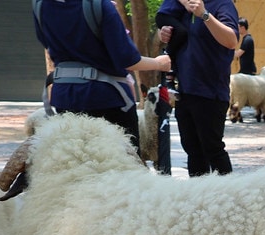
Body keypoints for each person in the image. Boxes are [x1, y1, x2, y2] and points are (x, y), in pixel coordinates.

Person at [33, 0, 171, 154]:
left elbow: (46, 42)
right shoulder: (99, 6)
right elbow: (128, 60)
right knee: (125, 166)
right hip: (107, 99)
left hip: (64, 97)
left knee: (76, 161)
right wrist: (159, 63)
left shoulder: (41, 5)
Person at [156, 0, 238, 175]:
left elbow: (232, 40)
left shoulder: (222, 4)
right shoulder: (182, 7)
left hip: (211, 92)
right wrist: (163, 34)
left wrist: (205, 15)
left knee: (213, 150)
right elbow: (173, 35)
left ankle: (231, 197)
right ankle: (199, 199)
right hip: (184, 91)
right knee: (193, 152)